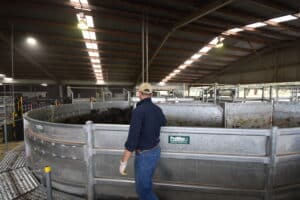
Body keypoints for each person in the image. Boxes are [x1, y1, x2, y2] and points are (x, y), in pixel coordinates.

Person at [120, 82, 166, 200]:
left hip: (145, 155)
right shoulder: (157, 110)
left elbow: (132, 140)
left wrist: (123, 161)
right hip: (155, 151)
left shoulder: (138, 111)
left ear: (139, 94)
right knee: (147, 185)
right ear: (151, 94)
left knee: (143, 190)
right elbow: (163, 122)